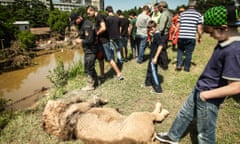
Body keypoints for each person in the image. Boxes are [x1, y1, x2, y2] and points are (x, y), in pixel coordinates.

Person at [156, 5, 240, 144]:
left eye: (210, 31)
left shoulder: (234, 50)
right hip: (201, 88)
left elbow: (236, 86)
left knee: (205, 132)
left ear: (224, 28)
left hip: (208, 96)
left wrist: (205, 95)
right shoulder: (224, 41)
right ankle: (172, 136)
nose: (209, 35)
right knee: (184, 114)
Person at [86, 5, 124, 81]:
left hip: (104, 42)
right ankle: (102, 75)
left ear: (92, 10)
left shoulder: (99, 16)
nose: (88, 15)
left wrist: (96, 33)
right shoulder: (98, 17)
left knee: (109, 58)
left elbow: (103, 28)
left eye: (88, 13)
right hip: (101, 42)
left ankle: (119, 74)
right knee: (100, 59)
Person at [70, 13, 98, 91]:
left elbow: (90, 40)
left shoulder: (87, 25)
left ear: (79, 17)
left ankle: (90, 86)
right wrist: (79, 37)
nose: (75, 23)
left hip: (91, 50)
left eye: (75, 21)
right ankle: (95, 82)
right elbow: (83, 35)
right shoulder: (82, 24)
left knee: (89, 67)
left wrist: (80, 40)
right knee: (89, 67)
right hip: (88, 49)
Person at [175, 1, 203, 72]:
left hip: (181, 36)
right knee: (189, 53)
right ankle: (186, 68)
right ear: (195, 5)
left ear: (188, 5)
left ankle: (178, 65)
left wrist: (175, 34)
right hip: (191, 37)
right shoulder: (198, 15)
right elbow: (199, 28)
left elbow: (177, 26)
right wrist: (200, 37)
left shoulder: (182, 14)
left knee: (180, 51)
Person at [143, 20, 163, 94]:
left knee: (153, 71)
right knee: (149, 69)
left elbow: (160, 46)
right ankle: (148, 83)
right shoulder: (154, 35)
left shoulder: (157, 35)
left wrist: (156, 57)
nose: (150, 30)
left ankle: (158, 89)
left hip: (154, 56)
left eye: (152, 29)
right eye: (149, 29)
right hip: (152, 56)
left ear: (155, 27)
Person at [157, 1, 172, 70]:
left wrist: (157, 32)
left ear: (162, 7)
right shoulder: (169, 13)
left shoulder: (164, 14)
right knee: (163, 49)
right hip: (166, 33)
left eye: (158, 7)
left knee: (162, 50)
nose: (158, 9)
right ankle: (161, 63)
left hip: (162, 34)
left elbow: (161, 27)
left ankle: (164, 65)